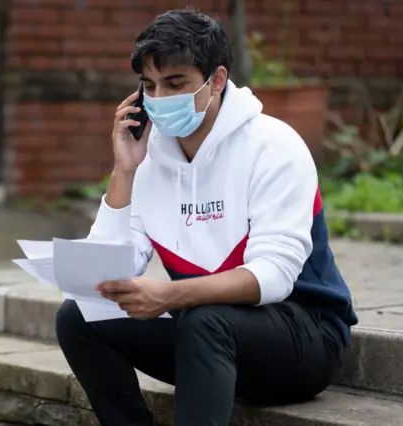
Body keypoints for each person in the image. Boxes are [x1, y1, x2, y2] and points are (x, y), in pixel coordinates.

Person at [55, 8, 358, 426]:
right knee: (78, 315)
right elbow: (104, 273)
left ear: (216, 80)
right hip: (206, 337)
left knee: (204, 318)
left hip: (302, 336)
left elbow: (274, 275)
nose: (159, 99)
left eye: (175, 83)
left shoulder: (275, 146)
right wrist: (124, 171)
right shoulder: (147, 158)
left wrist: (168, 296)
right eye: (149, 86)